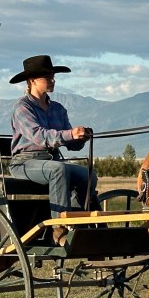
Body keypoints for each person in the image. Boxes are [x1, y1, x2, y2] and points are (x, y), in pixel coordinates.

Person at [8, 55, 98, 245]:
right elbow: (40, 136)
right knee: (59, 169)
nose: (52, 80)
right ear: (32, 80)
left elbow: (71, 144)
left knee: (88, 174)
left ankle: (81, 221)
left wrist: (81, 137)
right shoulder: (22, 108)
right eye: (47, 77)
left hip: (52, 161)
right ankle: (59, 227)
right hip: (24, 163)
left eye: (53, 77)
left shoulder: (58, 109)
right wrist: (70, 134)